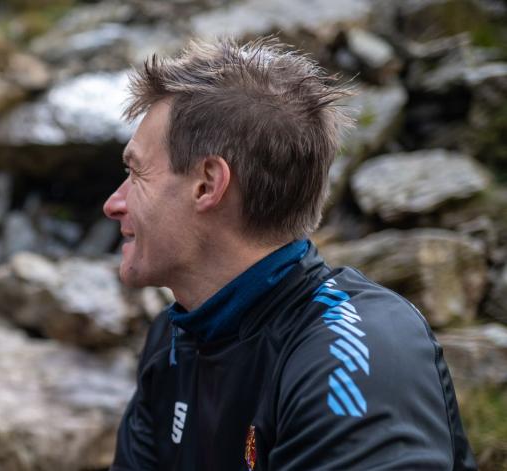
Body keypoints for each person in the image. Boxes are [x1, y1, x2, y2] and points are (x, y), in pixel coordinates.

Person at [103, 37, 476, 470]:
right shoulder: (174, 336)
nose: (114, 203)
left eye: (136, 172)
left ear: (207, 184)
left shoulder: (352, 357)